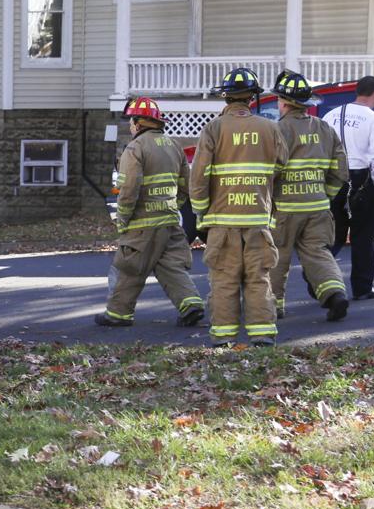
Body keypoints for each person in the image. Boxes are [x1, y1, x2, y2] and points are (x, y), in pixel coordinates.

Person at [189, 67, 288, 347]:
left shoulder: (214, 128)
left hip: (222, 222)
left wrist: (200, 211)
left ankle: (223, 339)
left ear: (226, 98)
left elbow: (199, 175)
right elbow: (280, 164)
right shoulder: (270, 128)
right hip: (258, 219)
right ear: (252, 98)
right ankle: (262, 335)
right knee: (258, 277)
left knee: (224, 279)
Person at [95, 97, 204, 328]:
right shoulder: (173, 145)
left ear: (139, 122)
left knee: (129, 266)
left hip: (142, 224)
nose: (130, 126)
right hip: (171, 221)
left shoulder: (135, 148)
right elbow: (186, 185)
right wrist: (172, 204)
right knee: (170, 265)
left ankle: (118, 314)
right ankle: (190, 304)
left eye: (131, 121)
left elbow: (128, 190)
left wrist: (123, 221)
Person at [268, 70, 348, 323]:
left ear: (283, 103)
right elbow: (340, 170)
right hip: (318, 205)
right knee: (318, 252)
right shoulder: (325, 129)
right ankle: (334, 293)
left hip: (285, 208)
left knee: (276, 256)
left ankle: (274, 307)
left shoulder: (277, 130)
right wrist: (326, 194)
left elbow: (270, 171)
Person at [323, 75, 374, 300]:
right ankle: (362, 288)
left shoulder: (331, 115)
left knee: (334, 233)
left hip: (334, 177)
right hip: (362, 177)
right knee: (363, 235)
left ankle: (318, 279)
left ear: (357, 91)